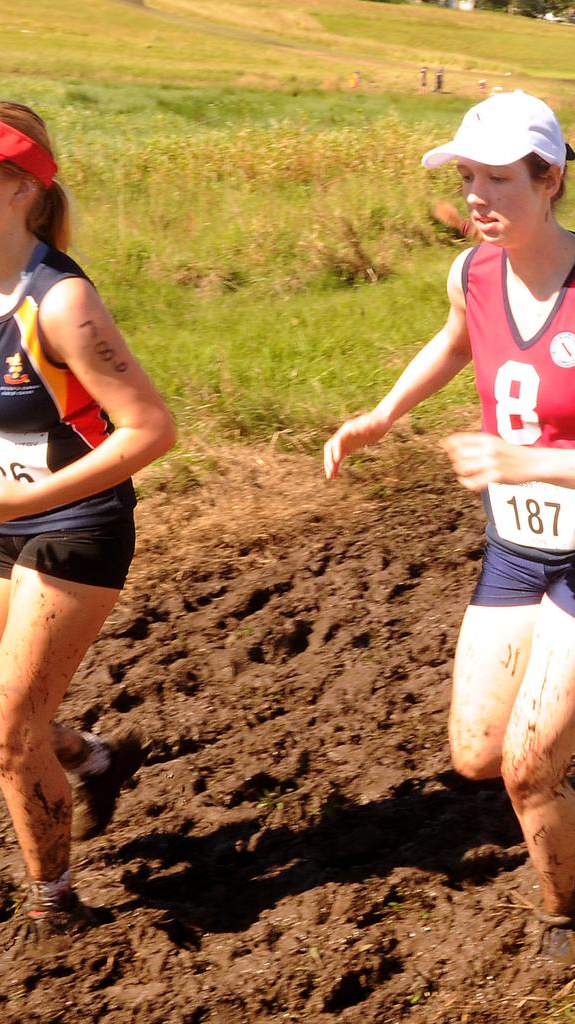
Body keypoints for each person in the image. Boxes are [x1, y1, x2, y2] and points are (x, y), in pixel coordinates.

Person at [0, 99, 176, 949]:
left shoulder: (61, 301)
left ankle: (55, 903)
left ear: (21, 186)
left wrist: (25, 500)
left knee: (8, 733)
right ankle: (93, 755)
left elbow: (151, 431)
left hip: (78, 522)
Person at [324, 91, 575, 959]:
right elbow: (457, 339)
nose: (477, 195)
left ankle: (561, 912)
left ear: (550, 181)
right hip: (516, 546)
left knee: (529, 767)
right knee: (474, 754)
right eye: (467, 176)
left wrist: (529, 462)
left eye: (499, 178)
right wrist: (382, 413)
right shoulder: (473, 271)